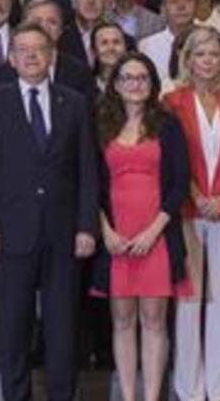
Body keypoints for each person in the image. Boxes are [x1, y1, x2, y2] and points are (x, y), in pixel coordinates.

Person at [0, 23, 99, 401]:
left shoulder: (73, 102)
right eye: (22, 49)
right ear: (10, 58)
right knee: (13, 329)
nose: (30, 55)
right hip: (9, 234)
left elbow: (87, 170)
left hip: (63, 235)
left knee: (62, 330)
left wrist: (86, 227)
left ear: (52, 55)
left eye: (38, 49)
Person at [92, 52, 192, 401]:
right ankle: (129, 395)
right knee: (122, 321)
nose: (135, 84)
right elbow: (91, 184)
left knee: (154, 320)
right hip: (116, 236)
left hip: (156, 235)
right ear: (115, 84)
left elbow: (180, 182)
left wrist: (155, 231)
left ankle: (152, 396)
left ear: (152, 84)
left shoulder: (167, 124)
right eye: (127, 78)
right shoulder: (100, 124)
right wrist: (105, 230)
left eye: (142, 78)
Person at [164, 27, 220, 401]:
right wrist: (197, 195)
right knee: (189, 300)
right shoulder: (172, 101)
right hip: (188, 209)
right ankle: (189, 389)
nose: (208, 61)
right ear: (188, 59)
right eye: (201, 54)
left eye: (215, 54)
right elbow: (171, 157)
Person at [61, 0, 133, 66]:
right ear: (73, 1)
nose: (91, 0)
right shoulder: (60, 39)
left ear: (107, 1)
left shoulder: (126, 41)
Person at [138, 0, 198, 87]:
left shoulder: (212, 41)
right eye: (174, 1)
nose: (181, 6)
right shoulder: (146, 46)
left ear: (196, 6)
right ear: (163, 9)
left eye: (188, 0)